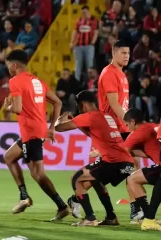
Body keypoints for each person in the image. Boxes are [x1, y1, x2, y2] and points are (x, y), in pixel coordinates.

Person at [67, 40, 136, 220]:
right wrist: (130, 124)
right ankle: (137, 210)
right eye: (123, 53)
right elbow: (113, 103)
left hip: (120, 126)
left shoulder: (121, 74)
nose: (127, 56)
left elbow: (122, 103)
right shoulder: (109, 74)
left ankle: (80, 200)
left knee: (124, 167)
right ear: (114, 53)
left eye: (128, 53)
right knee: (131, 164)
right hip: (115, 127)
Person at [3, 49, 69, 221]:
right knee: (9, 156)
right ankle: (24, 196)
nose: (8, 68)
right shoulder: (37, 81)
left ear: (14, 65)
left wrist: (7, 108)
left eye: (8, 65)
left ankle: (61, 206)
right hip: (36, 130)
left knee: (37, 174)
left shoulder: (15, 81)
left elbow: (16, 108)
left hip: (31, 132)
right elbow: (57, 102)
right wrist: (52, 127)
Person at [55, 90, 134, 226]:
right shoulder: (108, 116)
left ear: (83, 105)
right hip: (126, 163)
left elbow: (59, 128)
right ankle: (111, 217)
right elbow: (95, 134)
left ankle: (90, 218)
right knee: (96, 181)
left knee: (76, 179)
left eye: (79, 107)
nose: (80, 110)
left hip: (112, 162)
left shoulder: (88, 116)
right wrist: (79, 124)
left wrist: (59, 119)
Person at [121, 108, 161, 229]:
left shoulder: (138, 133)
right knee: (133, 179)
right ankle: (149, 218)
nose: (127, 128)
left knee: (132, 179)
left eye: (127, 125)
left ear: (133, 122)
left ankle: (148, 218)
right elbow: (149, 151)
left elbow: (122, 152)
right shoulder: (151, 127)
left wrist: (100, 152)